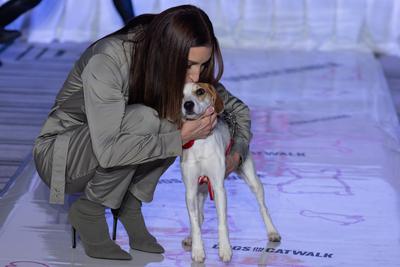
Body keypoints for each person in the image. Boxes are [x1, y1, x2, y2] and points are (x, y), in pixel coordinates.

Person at [33, 4, 251, 260]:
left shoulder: (179, 66)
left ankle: (130, 204)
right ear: (168, 52)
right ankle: (89, 210)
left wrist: (236, 153)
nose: (194, 76)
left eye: (201, 66)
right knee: (150, 119)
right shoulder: (109, 60)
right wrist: (180, 138)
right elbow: (108, 151)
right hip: (62, 155)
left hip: (109, 150)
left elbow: (237, 110)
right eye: (189, 65)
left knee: (173, 117)